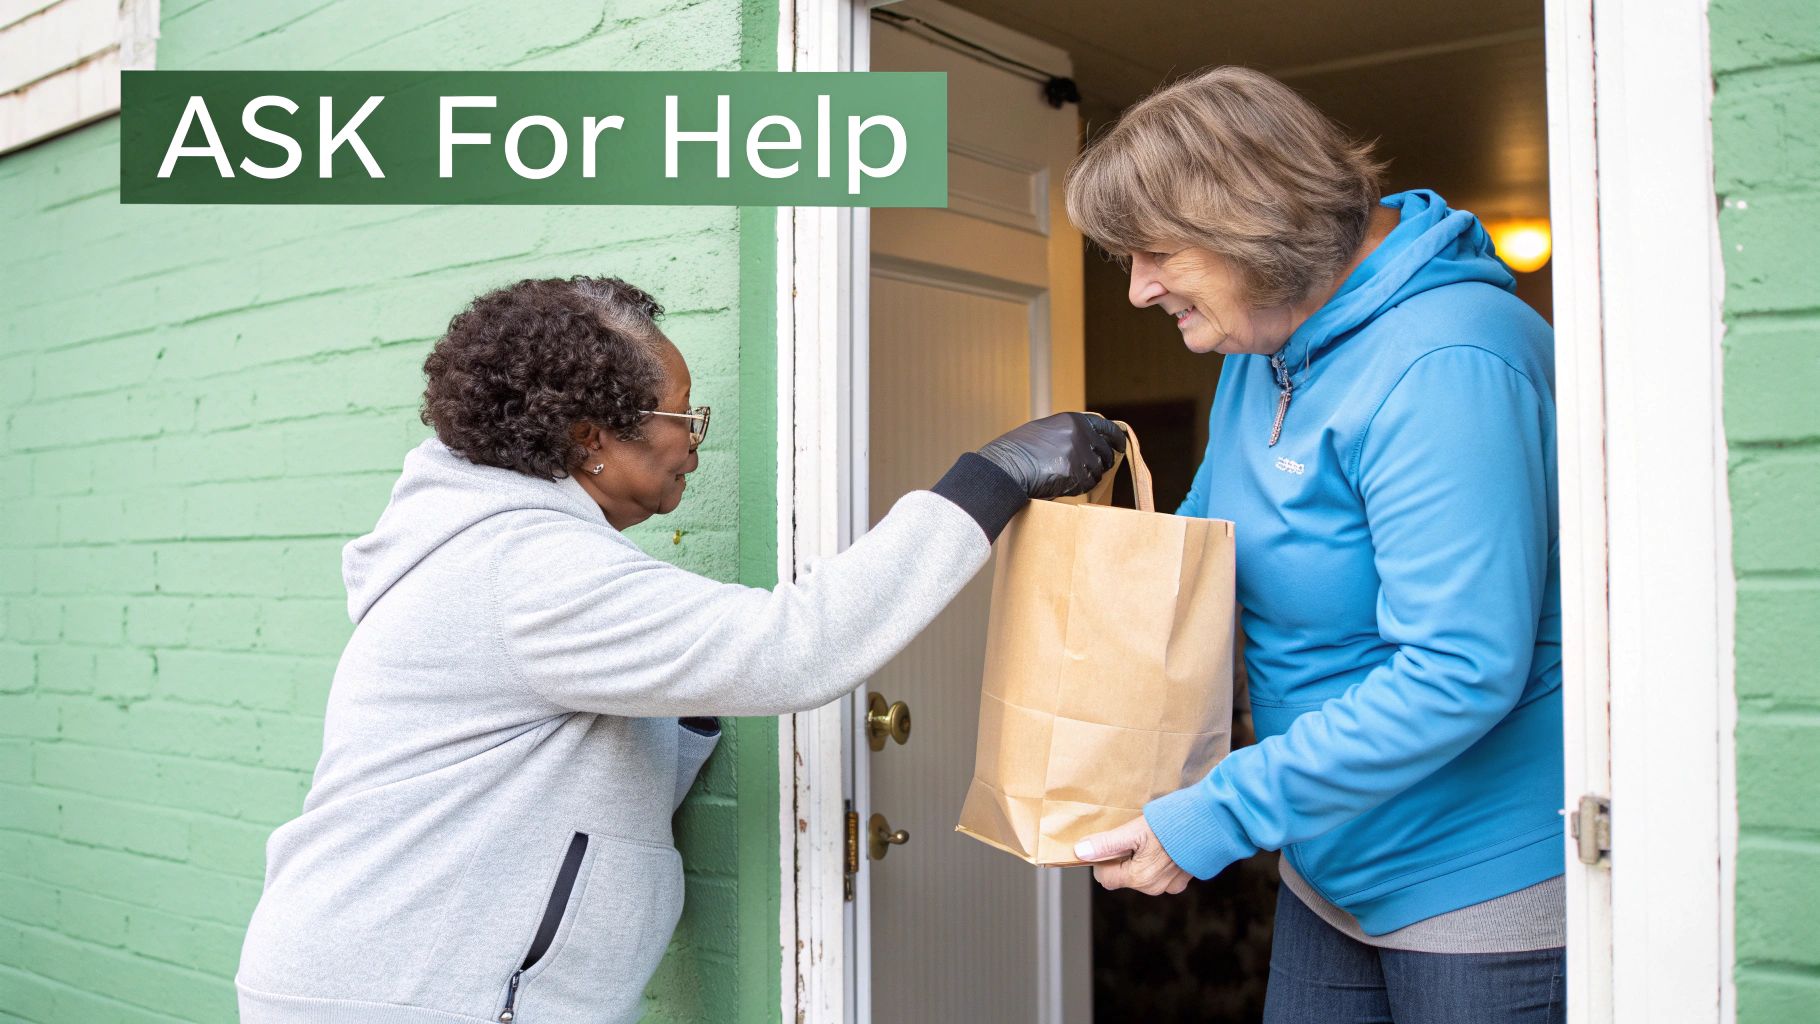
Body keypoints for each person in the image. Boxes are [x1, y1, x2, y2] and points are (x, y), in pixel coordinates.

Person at [234, 275, 1124, 1024]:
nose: (695, 439)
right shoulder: (526, 568)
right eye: (679, 416)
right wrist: (992, 479)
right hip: (399, 994)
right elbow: (795, 646)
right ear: (590, 438)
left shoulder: (501, 550)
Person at [1064, 67, 1565, 1023]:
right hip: (1332, 867)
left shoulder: (1449, 359)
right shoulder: (1265, 349)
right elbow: (1204, 563)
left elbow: (1459, 668)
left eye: (1156, 253)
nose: (1137, 291)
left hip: (1475, 884)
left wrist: (1218, 812)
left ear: (1253, 221)